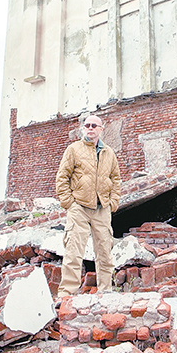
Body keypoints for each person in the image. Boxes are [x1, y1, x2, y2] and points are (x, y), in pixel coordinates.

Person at [54, 114, 122, 298]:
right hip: (79, 207)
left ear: (101, 129)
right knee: (73, 251)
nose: (90, 128)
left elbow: (116, 179)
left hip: (102, 208)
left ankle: (106, 291)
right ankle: (67, 294)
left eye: (94, 125)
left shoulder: (109, 153)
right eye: (87, 125)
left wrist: (113, 202)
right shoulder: (73, 149)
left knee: (105, 252)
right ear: (83, 129)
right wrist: (69, 203)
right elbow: (62, 177)